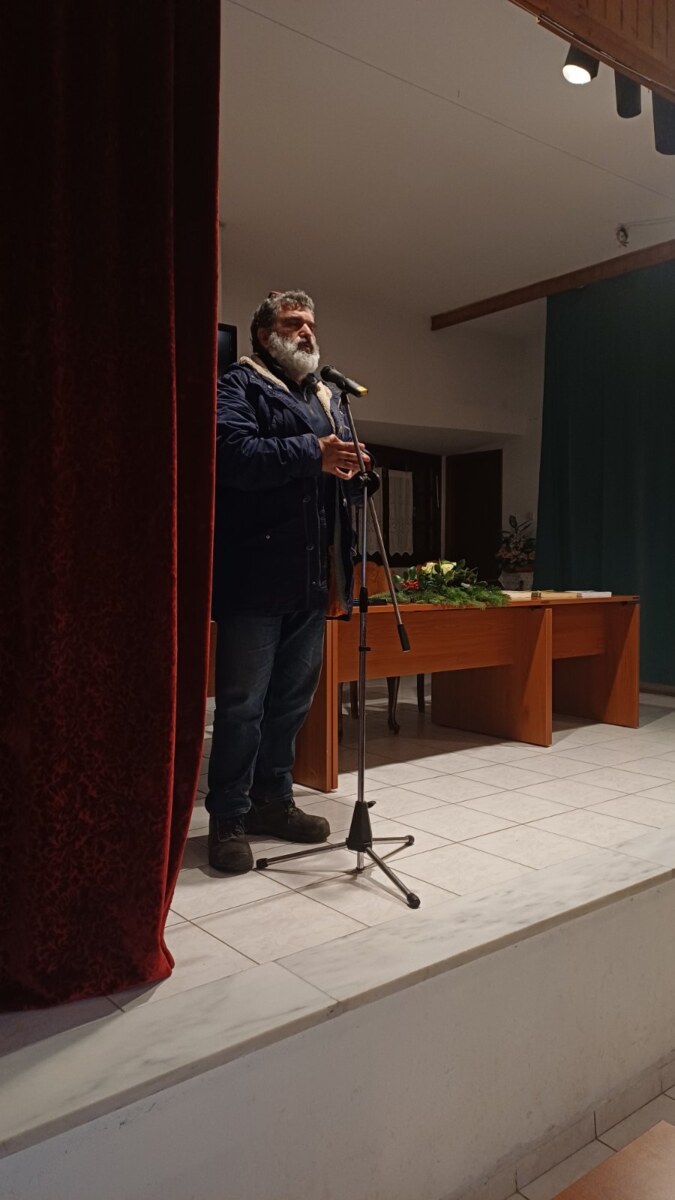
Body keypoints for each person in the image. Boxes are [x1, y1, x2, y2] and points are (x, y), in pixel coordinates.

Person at [207, 290, 372, 873]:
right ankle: (228, 816)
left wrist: (353, 467)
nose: (306, 331)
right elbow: (231, 454)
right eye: (292, 322)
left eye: (310, 324)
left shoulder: (327, 396)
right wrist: (314, 452)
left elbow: (330, 470)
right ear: (264, 335)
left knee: (291, 703)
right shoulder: (239, 384)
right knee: (242, 706)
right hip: (255, 575)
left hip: (313, 576)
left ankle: (272, 802)